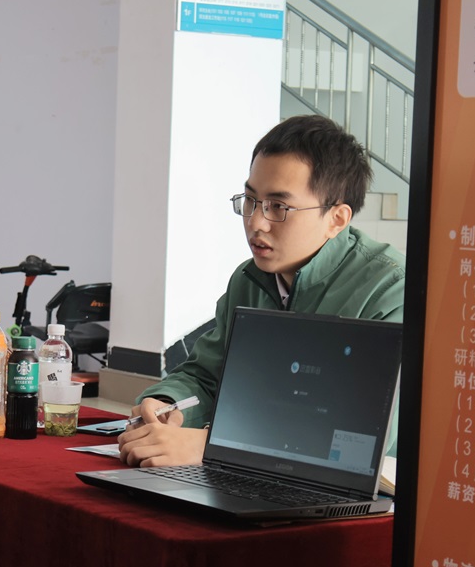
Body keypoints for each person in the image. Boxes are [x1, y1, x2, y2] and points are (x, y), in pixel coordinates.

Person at [118, 114, 405, 469]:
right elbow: (206, 376)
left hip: (354, 489)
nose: (256, 222)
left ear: (336, 219)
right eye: (251, 200)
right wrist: (167, 403)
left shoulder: (390, 291)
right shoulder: (249, 279)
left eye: (278, 207)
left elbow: (363, 434)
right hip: (252, 473)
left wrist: (209, 446)